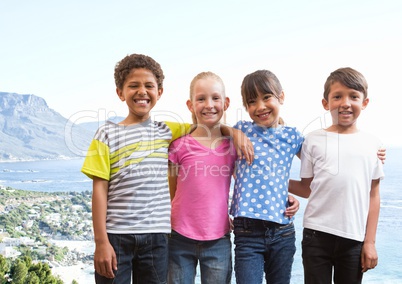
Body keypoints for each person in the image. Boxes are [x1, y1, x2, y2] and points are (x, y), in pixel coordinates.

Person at [81, 54, 254, 283]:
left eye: (149, 86)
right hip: (117, 237)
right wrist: (101, 241)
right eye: (133, 85)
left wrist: (234, 132)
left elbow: (204, 124)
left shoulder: (166, 131)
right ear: (120, 92)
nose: (142, 91)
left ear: (159, 92)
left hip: (157, 240)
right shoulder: (106, 134)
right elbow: (99, 190)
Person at [289, 67, 385, 284]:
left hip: (353, 239)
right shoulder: (312, 140)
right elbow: (306, 188)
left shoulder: (373, 144)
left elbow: (374, 195)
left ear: (365, 102)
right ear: (326, 103)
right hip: (316, 236)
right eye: (337, 96)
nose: (345, 103)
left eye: (353, 96)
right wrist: (278, 183)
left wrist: (369, 242)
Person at [230, 70, 302, 284]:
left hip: (282, 232)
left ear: (281, 97)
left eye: (267, 97)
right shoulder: (241, 130)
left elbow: (321, 159)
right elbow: (211, 131)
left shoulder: (293, 136)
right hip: (247, 232)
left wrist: (370, 152)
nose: (260, 106)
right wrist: (232, 132)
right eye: (252, 101)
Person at [167, 71, 235, 284]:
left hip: (218, 240)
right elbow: (172, 190)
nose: (209, 104)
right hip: (179, 237)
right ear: (190, 105)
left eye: (215, 98)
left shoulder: (233, 147)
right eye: (201, 99)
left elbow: (248, 183)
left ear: (226, 103)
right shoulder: (178, 146)